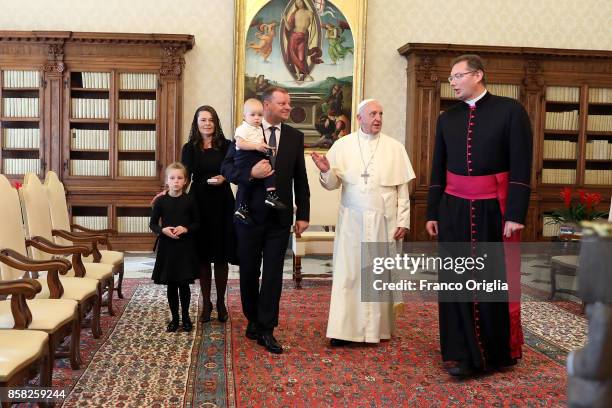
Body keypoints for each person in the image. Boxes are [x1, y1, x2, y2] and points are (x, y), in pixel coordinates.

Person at [425, 54, 533, 376]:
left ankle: (495, 352)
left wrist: (515, 212)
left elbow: (521, 164)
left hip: (493, 209)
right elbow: (437, 168)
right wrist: (433, 210)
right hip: (453, 208)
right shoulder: (447, 118)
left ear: (478, 76)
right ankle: (459, 354)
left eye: (458, 76)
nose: (453, 82)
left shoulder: (510, 111)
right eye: (451, 78)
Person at [311, 99, 416, 346]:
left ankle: (375, 331)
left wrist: (404, 220)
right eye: (372, 114)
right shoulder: (342, 145)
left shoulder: (394, 147)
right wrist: (326, 170)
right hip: (352, 221)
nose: (378, 118)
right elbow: (331, 184)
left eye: (380, 113)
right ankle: (343, 330)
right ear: (359, 118)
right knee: (349, 274)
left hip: (384, 221)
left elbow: (403, 188)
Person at [222, 86, 310, 354]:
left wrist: (304, 213)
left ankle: (266, 328)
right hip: (248, 216)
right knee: (249, 271)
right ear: (267, 105)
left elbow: (300, 177)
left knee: (273, 274)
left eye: (288, 104)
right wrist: (251, 172)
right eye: (282, 103)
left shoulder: (295, 136)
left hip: (280, 217)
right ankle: (253, 318)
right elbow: (227, 168)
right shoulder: (246, 130)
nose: (287, 107)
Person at [181, 105, 237, 323]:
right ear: (196, 123)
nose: (207, 123)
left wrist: (225, 178)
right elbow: (184, 177)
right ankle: (207, 302)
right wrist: (171, 197)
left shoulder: (227, 145)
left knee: (221, 256)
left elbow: (235, 171)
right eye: (203, 120)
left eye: (211, 119)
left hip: (222, 202)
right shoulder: (189, 148)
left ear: (216, 122)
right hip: (198, 203)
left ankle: (221, 302)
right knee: (203, 257)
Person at [150, 162, 200, 333]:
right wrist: (162, 230)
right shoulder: (161, 202)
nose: (176, 181)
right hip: (167, 247)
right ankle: (175, 318)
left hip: (185, 248)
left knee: (183, 284)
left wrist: (185, 228)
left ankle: (186, 317)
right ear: (167, 181)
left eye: (180, 178)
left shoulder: (190, 200)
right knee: (172, 284)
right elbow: (153, 224)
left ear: (185, 181)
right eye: (172, 178)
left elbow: (197, 223)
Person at [233, 98, 287, 225]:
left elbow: (261, 143)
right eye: (252, 115)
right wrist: (257, 147)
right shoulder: (242, 128)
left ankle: (270, 196)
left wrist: (266, 148)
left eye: (260, 115)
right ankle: (242, 208)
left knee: (269, 172)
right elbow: (239, 143)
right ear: (244, 116)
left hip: (256, 155)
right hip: (244, 157)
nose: (257, 118)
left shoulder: (258, 129)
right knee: (246, 183)